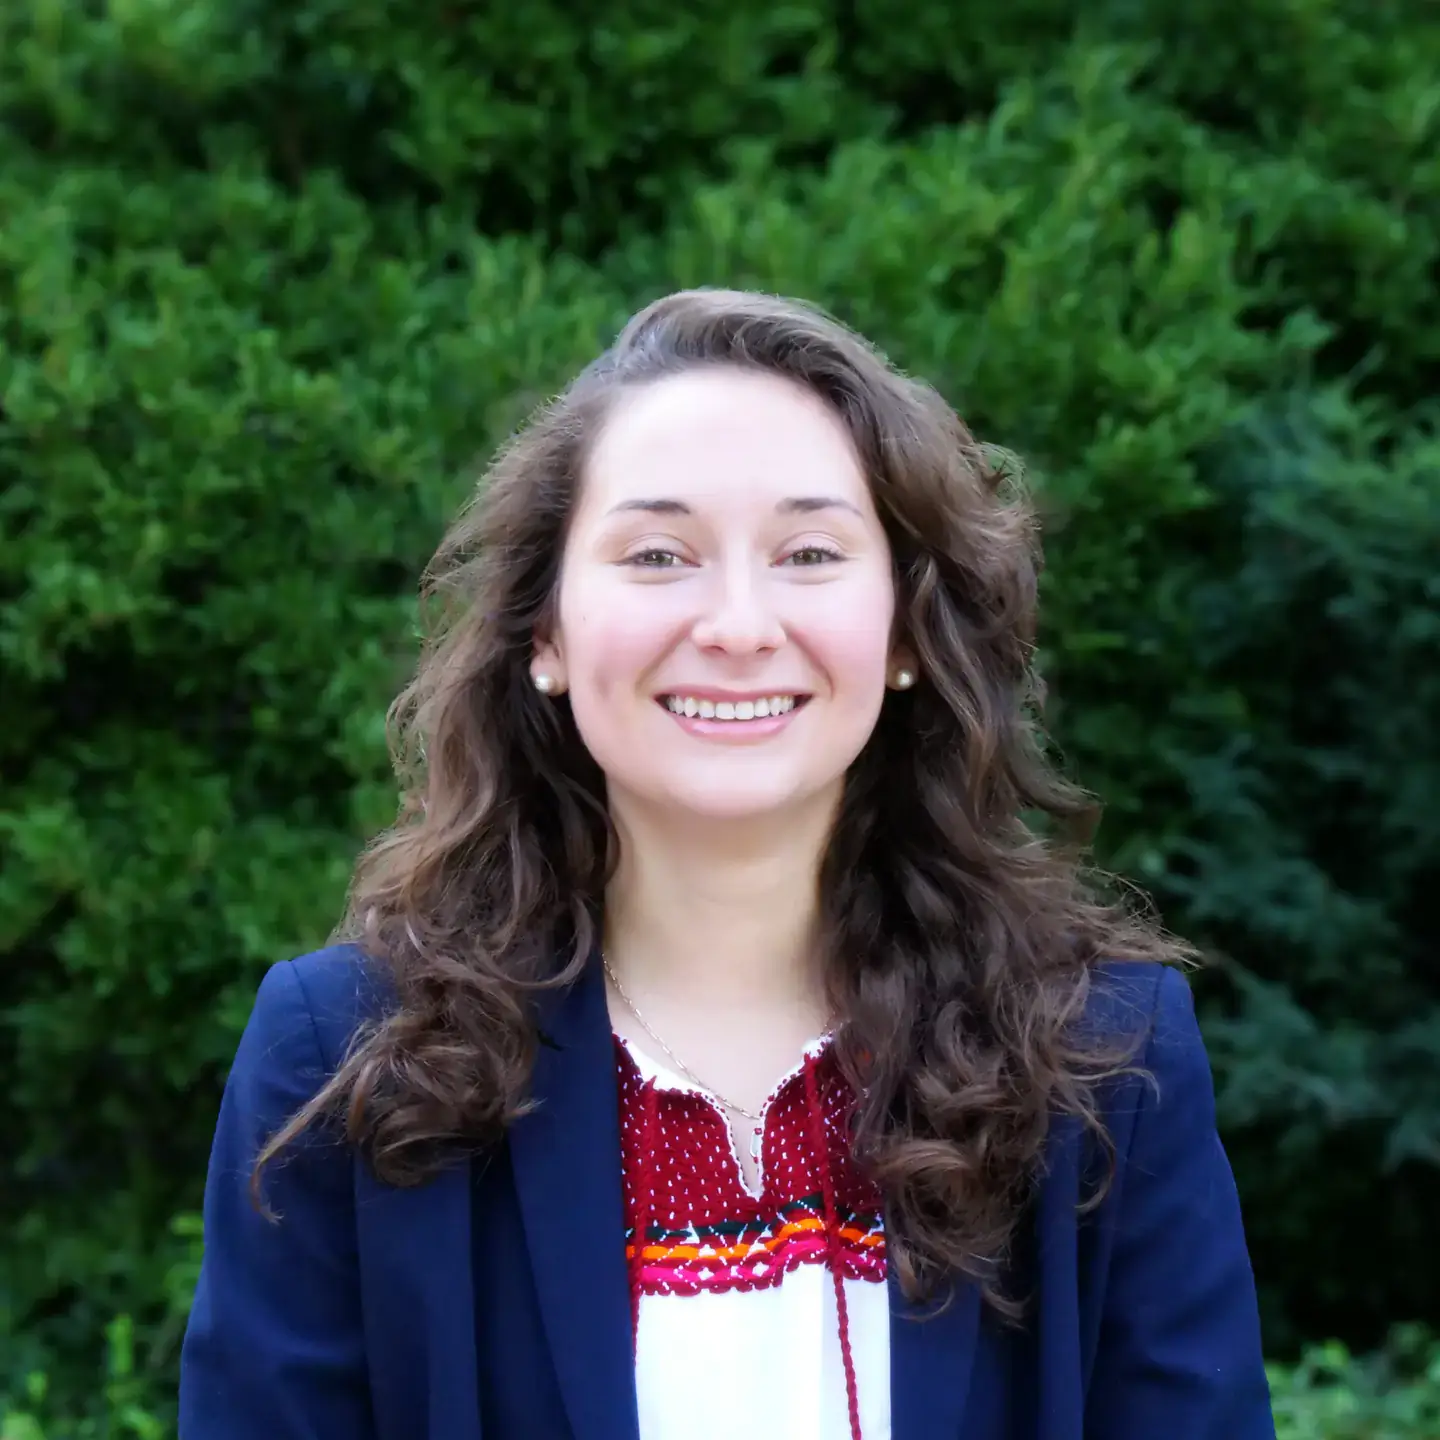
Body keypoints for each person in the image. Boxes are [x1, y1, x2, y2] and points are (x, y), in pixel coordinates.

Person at [179, 289, 1275, 1440]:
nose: (740, 623)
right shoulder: (343, 1059)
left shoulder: (1105, 1062)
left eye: (809, 552)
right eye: (659, 554)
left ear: (903, 632)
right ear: (544, 633)